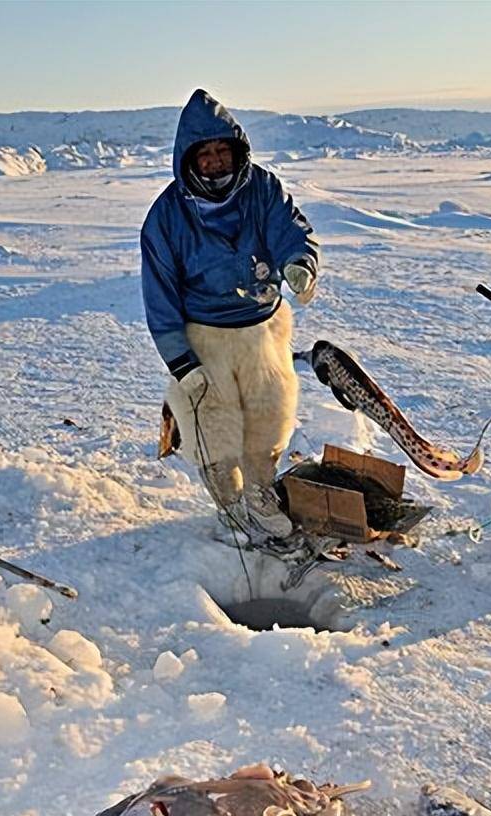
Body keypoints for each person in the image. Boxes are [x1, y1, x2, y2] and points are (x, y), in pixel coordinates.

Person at [141, 88, 319, 542]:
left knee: (268, 417)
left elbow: (289, 230)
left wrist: (299, 264)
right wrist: (182, 362)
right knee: (211, 426)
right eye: (206, 153)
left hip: (262, 329)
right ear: (189, 159)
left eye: (224, 150)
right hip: (204, 335)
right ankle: (230, 501)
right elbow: (159, 294)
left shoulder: (261, 188)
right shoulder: (166, 216)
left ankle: (261, 491)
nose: (217, 160)